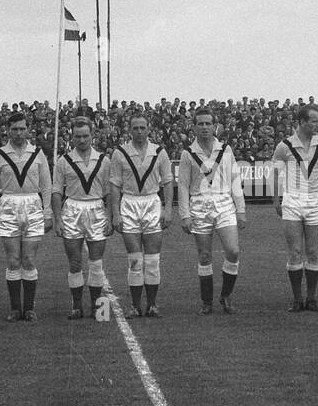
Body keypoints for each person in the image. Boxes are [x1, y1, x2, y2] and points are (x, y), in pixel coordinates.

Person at [177, 107, 245, 314]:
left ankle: (226, 295)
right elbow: (183, 185)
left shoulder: (225, 149)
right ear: (194, 127)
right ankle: (207, 301)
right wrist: (185, 214)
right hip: (199, 205)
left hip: (224, 203)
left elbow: (235, 179)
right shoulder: (188, 153)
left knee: (233, 251)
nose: (205, 127)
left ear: (214, 126)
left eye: (208, 123)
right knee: (205, 256)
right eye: (201, 124)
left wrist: (240, 209)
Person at [0, 110, 52, 321]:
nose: (18, 133)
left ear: (28, 130)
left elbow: (46, 185)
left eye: (22, 128)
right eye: (14, 129)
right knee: (13, 260)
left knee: (29, 259)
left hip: (33, 204)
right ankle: (16, 308)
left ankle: (30, 308)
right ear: (8, 131)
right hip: (8, 204)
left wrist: (48, 212)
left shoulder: (37, 153)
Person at [108, 112, 173, 317]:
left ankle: (152, 305)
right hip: (129, 203)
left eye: (142, 128)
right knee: (135, 260)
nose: (139, 132)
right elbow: (114, 185)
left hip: (152, 202)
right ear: (129, 130)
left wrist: (168, 208)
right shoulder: (119, 153)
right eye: (135, 128)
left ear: (149, 129)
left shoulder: (159, 152)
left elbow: (168, 181)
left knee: (153, 260)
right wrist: (116, 213)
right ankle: (135, 306)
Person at [272, 104, 318, 311]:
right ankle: (297, 299)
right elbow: (275, 174)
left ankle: (312, 298)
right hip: (292, 200)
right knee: (295, 251)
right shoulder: (284, 146)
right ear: (301, 121)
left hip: (314, 201)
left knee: (313, 251)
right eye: (314, 120)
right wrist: (276, 199)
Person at [51, 116, 113, 319]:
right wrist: (58, 219)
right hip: (72, 210)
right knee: (75, 262)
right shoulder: (63, 161)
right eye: (78, 136)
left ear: (92, 136)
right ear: (72, 136)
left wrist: (111, 217)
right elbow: (57, 192)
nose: (82, 140)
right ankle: (77, 306)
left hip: (96, 209)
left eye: (86, 135)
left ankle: (98, 308)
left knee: (96, 262)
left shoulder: (104, 160)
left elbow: (109, 192)